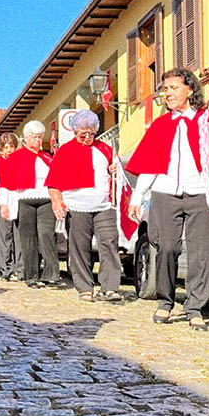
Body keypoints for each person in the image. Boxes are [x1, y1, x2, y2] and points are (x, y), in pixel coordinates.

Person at [128, 68, 209, 331]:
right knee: (166, 247)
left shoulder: (207, 121)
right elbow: (149, 165)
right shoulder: (160, 125)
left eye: (173, 88)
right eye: (165, 89)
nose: (167, 93)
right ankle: (166, 301)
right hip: (166, 192)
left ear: (190, 89)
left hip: (201, 192)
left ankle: (194, 307)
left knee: (202, 251)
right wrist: (137, 197)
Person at [46, 110, 122, 302]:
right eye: (83, 134)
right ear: (75, 131)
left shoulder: (105, 149)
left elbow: (119, 173)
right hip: (76, 205)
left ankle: (110, 287)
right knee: (79, 247)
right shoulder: (64, 151)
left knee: (109, 242)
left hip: (104, 204)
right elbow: (53, 182)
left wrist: (115, 168)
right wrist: (57, 201)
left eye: (91, 133)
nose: (88, 137)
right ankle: (85, 287)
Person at [0, 120, 57, 288]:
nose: (38, 141)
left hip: (46, 200)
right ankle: (31, 276)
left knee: (47, 235)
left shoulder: (47, 157)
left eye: (40, 137)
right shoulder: (16, 157)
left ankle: (51, 274)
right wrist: (4, 205)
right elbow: (6, 183)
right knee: (28, 239)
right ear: (26, 138)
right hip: (25, 200)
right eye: (34, 137)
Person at [0, 133, 20, 280]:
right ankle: (5, 268)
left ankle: (18, 267)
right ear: (1, 148)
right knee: (4, 235)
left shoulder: (18, 161)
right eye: (6, 147)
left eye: (12, 147)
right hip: (1, 198)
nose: (9, 150)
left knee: (17, 234)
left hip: (16, 196)